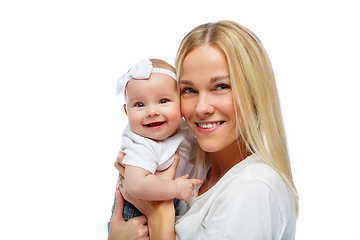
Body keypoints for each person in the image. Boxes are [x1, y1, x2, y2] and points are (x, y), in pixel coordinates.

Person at [109, 20, 299, 240]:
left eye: (221, 87)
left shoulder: (250, 188)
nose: (201, 108)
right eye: (189, 90)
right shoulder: (190, 162)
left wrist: (159, 213)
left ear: (254, 93)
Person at [109, 58, 203, 228]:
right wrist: (176, 188)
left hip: (167, 204)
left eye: (163, 101)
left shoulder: (182, 131)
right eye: (139, 104)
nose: (152, 111)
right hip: (136, 214)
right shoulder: (140, 144)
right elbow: (136, 185)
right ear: (126, 111)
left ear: (181, 103)